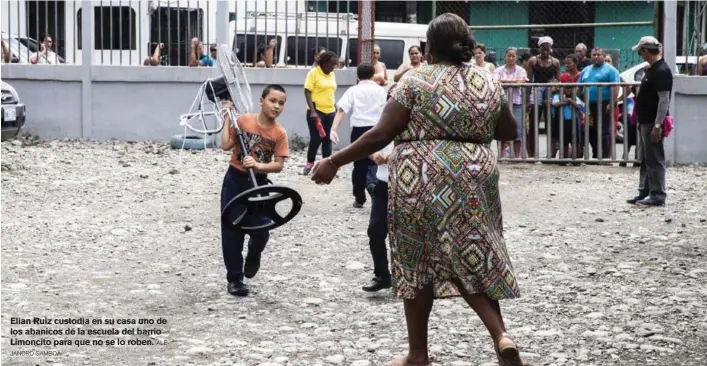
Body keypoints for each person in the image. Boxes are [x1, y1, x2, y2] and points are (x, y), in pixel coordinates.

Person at [311, 13, 523, 366]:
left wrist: (334, 161)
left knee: (417, 258)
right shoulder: (488, 81)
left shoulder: (414, 82)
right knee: (474, 251)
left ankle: (418, 354)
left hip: (421, 177)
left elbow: (381, 135)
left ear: (429, 46)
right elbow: (509, 132)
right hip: (475, 174)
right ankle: (500, 336)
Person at [219, 85, 290, 296]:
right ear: (262, 101)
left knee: (262, 230)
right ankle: (235, 278)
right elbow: (225, 145)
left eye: (281, 103)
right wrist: (226, 119)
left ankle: (254, 253)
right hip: (234, 180)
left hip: (258, 182)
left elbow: (278, 165)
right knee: (232, 229)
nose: (276, 106)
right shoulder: (243, 121)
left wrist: (258, 165)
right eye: (272, 101)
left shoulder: (279, 133)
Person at [330, 63, 387, 208]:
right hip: (377, 129)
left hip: (359, 131)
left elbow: (342, 110)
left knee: (359, 164)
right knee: (377, 161)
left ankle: (359, 198)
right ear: (373, 75)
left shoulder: (353, 90)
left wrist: (334, 129)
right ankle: (374, 185)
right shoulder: (381, 91)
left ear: (357, 76)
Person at [627, 36, 672, 207]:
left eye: (641, 51)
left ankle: (658, 194)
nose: (640, 55)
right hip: (646, 120)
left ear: (646, 50)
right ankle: (645, 191)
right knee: (647, 158)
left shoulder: (661, 71)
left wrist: (657, 125)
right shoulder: (653, 69)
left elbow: (664, 100)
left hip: (652, 122)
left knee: (655, 158)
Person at [578, 47, 620, 160]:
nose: (596, 57)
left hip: (604, 104)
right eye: (594, 54)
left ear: (603, 56)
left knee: (603, 131)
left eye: (598, 54)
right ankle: (596, 155)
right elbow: (579, 86)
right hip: (588, 105)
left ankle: (604, 157)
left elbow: (615, 87)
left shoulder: (611, 70)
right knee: (590, 130)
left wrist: (612, 102)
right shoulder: (586, 70)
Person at [302, 51, 339, 175]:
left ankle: (326, 165)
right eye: (332, 64)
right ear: (324, 63)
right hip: (317, 111)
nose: (334, 67)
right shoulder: (314, 72)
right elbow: (307, 92)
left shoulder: (332, 75)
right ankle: (309, 163)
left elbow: (331, 92)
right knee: (316, 139)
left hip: (330, 111)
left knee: (328, 139)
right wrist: (312, 111)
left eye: (335, 65)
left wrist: (335, 105)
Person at [526, 36, 561, 158]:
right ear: (539, 48)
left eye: (547, 49)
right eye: (543, 49)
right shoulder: (533, 61)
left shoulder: (555, 62)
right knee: (533, 122)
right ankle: (532, 154)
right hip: (536, 89)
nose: (545, 52)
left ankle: (550, 154)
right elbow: (529, 81)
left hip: (549, 90)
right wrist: (527, 99)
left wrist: (555, 95)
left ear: (551, 48)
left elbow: (558, 81)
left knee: (549, 121)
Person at [495, 47, 528, 158]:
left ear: (517, 57)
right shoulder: (498, 70)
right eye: (508, 55)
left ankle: (517, 154)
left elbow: (521, 81)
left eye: (513, 56)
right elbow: (495, 82)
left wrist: (504, 81)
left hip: (517, 103)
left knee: (518, 128)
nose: (511, 58)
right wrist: (513, 81)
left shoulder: (521, 70)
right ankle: (501, 154)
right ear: (505, 57)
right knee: (502, 127)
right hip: (503, 103)